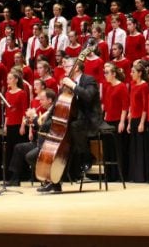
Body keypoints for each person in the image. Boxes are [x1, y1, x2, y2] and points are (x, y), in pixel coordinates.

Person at [38, 55, 102, 193]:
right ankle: (54, 181)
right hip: (75, 119)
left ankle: (87, 156)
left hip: (90, 120)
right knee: (58, 138)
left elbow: (88, 97)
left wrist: (73, 85)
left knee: (71, 134)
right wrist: (47, 118)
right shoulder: (68, 83)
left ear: (76, 67)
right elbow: (60, 103)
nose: (64, 69)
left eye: (66, 66)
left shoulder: (88, 80)